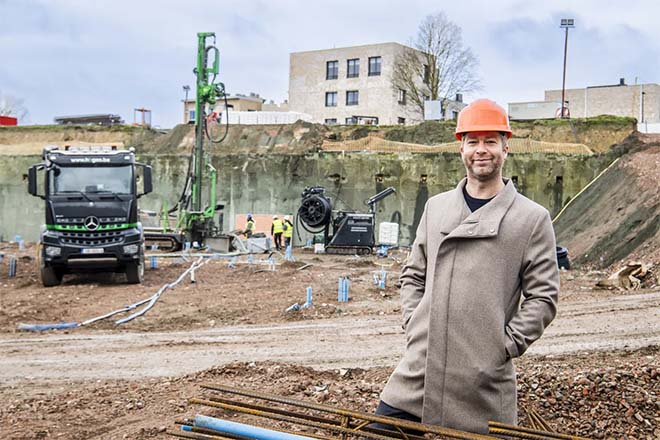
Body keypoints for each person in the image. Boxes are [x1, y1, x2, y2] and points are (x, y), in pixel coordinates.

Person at [374, 99, 560, 434]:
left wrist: (503, 346)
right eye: (473, 141)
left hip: (481, 378)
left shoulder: (531, 219)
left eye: (490, 141)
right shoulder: (437, 208)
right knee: (381, 431)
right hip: (420, 368)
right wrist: (415, 322)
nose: (481, 150)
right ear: (461, 147)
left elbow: (543, 298)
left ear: (506, 147)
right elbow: (413, 274)